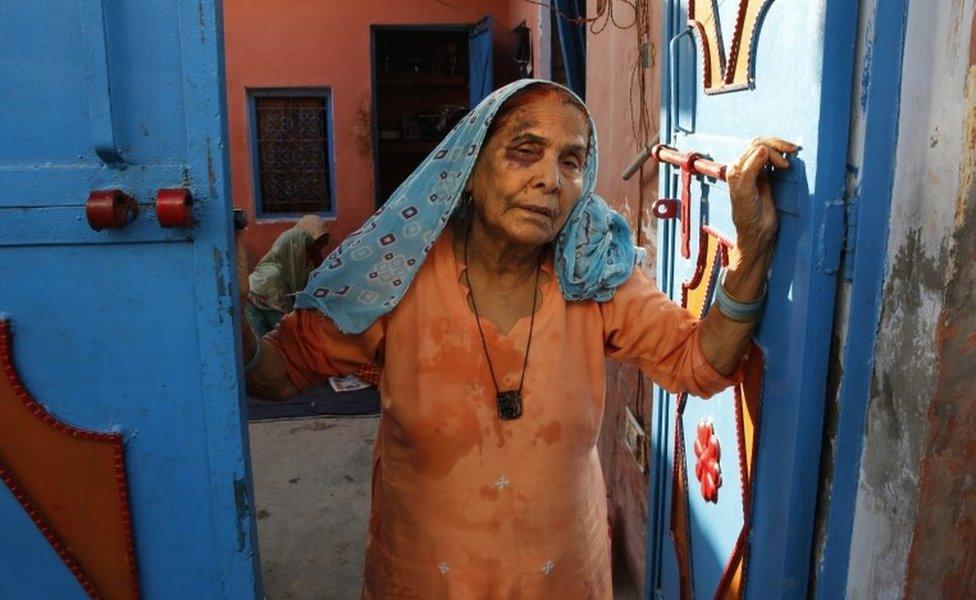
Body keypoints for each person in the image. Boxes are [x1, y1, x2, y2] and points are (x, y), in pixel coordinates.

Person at [237, 79, 795, 598]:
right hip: (426, 579)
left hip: (564, 576)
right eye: (525, 152)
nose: (551, 179)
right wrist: (219, 298)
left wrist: (754, 246)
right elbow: (277, 374)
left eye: (571, 161)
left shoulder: (595, 274)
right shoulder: (396, 278)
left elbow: (700, 363)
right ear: (470, 171)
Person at [244, 215, 329, 336]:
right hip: (258, 333)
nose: (313, 253)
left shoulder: (294, 270)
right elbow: (280, 324)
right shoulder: (271, 277)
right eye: (308, 250)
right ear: (295, 252)